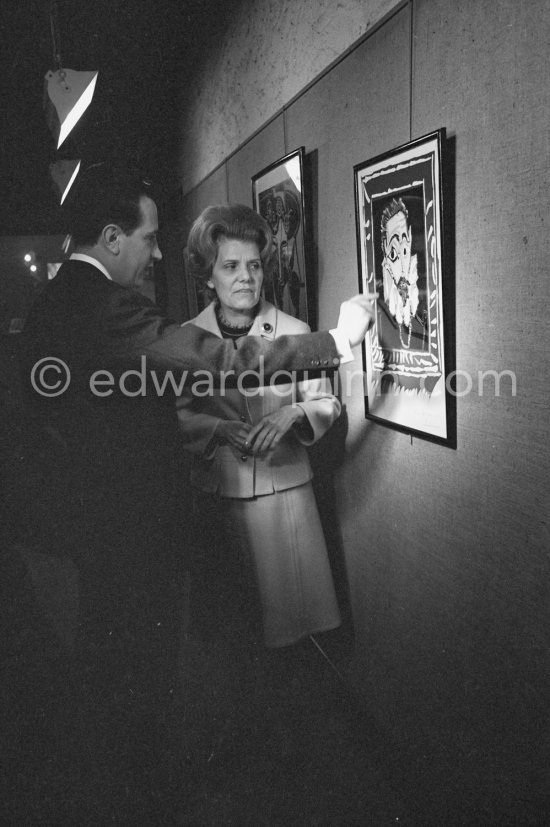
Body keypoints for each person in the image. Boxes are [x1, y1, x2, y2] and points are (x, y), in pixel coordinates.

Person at [18, 163, 376, 710]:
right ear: (112, 239)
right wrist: (340, 338)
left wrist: (294, 417)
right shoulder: (107, 305)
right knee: (148, 669)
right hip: (129, 525)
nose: (156, 255)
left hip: (109, 522)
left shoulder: (58, 300)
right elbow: (214, 366)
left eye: (254, 265)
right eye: (149, 239)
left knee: (130, 670)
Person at [176, 204, 342, 649]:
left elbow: (326, 401)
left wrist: (295, 414)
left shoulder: (294, 330)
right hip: (218, 494)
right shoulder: (188, 338)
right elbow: (179, 415)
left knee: (291, 628)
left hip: (283, 492)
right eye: (230, 266)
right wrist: (217, 429)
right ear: (208, 276)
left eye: (253, 265)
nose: (245, 276)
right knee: (232, 628)